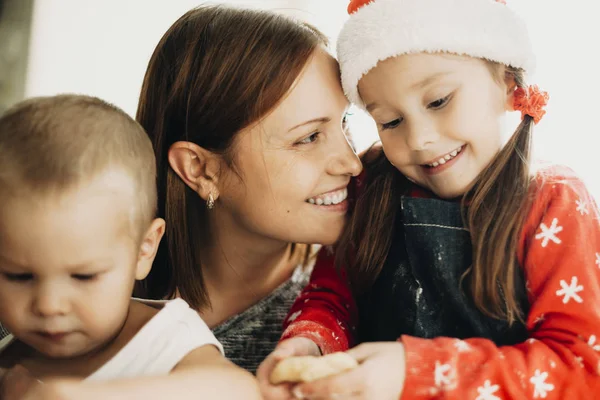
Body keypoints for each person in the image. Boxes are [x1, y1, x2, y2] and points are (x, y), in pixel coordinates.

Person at [258, 0, 600, 398]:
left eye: (438, 101)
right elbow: (333, 296)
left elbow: (581, 369)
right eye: (390, 121)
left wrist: (417, 372)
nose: (419, 140)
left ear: (509, 83)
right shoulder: (372, 189)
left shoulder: (554, 203)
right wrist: (310, 343)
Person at [135, 5, 362, 373]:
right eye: (308, 137)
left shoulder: (358, 311)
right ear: (200, 169)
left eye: (345, 122)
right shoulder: (59, 294)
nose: (352, 163)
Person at [0, 94, 261, 399]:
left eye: (83, 277)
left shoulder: (165, 339)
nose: (49, 304)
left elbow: (239, 390)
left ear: (144, 250)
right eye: (19, 276)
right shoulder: (11, 360)